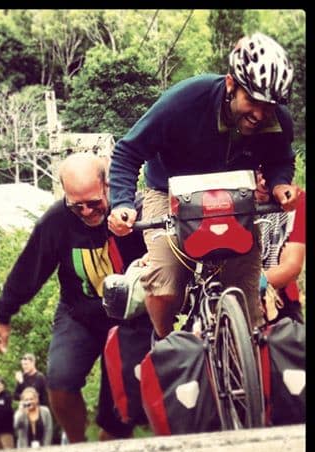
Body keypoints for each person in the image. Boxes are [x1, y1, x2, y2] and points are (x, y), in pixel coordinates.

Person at [107, 32, 300, 338]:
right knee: (166, 282)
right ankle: (166, 343)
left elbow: (281, 160)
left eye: (270, 106)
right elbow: (127, 151)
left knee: (248, 299)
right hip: (168, 192)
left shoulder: (277, 121)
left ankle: (242, 353)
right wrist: (122, 204)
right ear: (230, 84)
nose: (260, 114)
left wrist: (279, 185)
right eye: (252, 100)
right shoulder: (184, 101)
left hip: (232, 198)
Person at [0, 152, 147, 443]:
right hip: (79, 315)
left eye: (94, 203)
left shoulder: (135, 213)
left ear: (108, 186)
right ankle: (76, 446)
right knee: (59, 381)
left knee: (117, 416)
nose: (87, 212)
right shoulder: (57, 221)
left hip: (131, 320)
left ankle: (111, 449)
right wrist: (2, 315)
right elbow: (29, 269)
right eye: (77, 206)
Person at [255, 171, 305, 323]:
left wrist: (255, 285)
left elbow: (291, 266)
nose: (264, 181)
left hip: (280, 302)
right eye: (257, 173)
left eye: (268, 172)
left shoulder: (296, 201)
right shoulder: (226, 202)